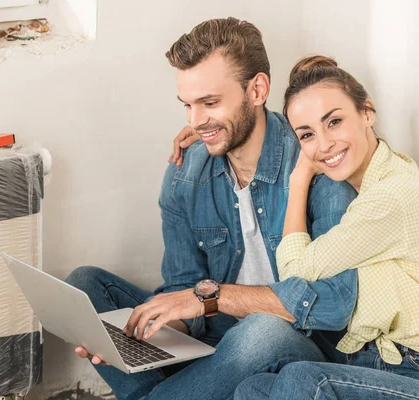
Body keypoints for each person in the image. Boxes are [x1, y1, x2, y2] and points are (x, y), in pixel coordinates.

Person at [65, 18, 359, 400]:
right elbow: (183, 289)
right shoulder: (185, 173)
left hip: (298, 342)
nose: (195, 121)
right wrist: (141, 339)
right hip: (219, 337)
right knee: (85, 285)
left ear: (257, 89)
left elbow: (336, 302)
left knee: (261, 331)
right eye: (187, 105)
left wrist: (211, 298)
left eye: (210, 102)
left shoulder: (314, 160)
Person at [233, 55, 419, 400]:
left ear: (367, 113)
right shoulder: (364, 188)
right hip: (372, 364)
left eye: (333, 122)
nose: (324, 144)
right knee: (252, 389)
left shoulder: (393, 195)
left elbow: (295, 270)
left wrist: (300, 176)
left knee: (305, 380)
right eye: (307, 135)